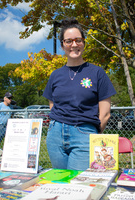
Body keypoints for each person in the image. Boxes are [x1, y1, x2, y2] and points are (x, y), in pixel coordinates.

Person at [43, 18, 116, 170]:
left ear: (84, 42)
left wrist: (90, 134)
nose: (74, 45)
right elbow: (52, 105)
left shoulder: (97, 73)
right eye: (69, 41)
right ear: (63, 45)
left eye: (78, 40)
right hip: (55, 136)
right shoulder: (55, 75)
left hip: (84, 134)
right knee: (60, 181)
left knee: (78, 184)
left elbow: (105, 113)